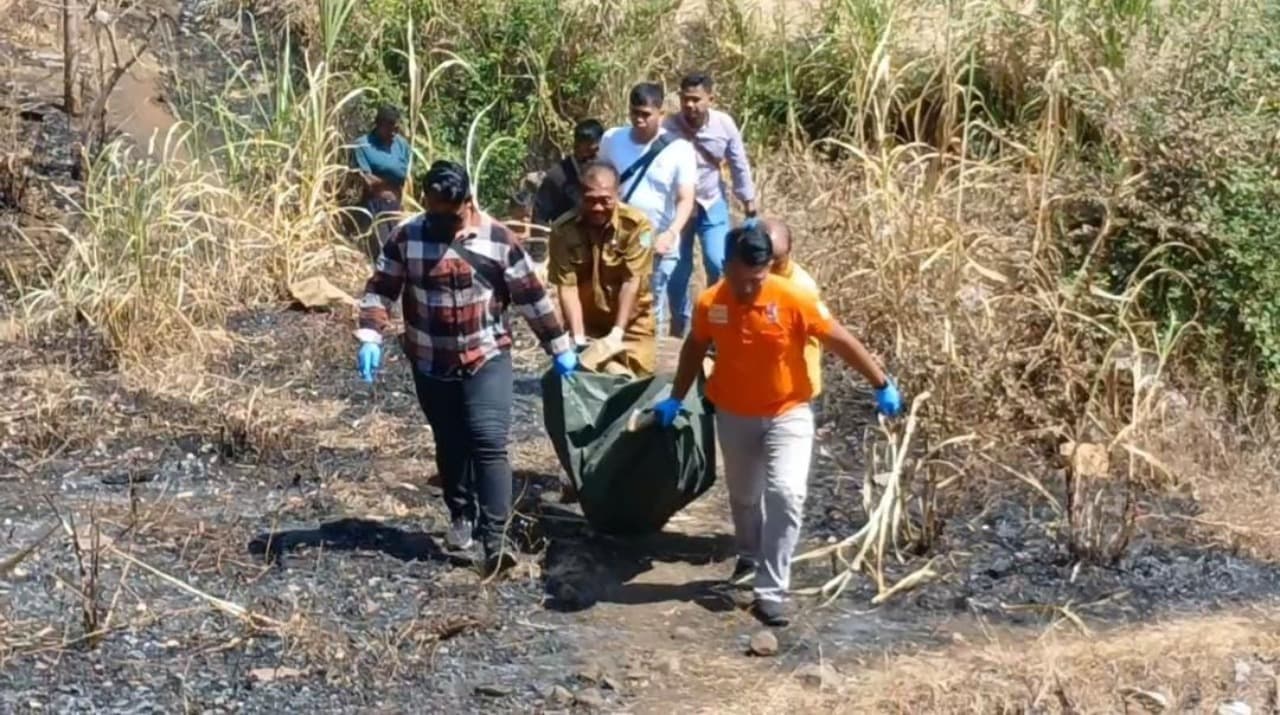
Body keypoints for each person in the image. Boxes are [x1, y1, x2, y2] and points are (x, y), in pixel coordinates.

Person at [653, 224, 904, 627]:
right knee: (745, 497)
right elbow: (695, 346)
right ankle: (749, 557)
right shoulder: (711, 302)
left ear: (768, 268)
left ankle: (770, 590)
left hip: (788, 411)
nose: (750, 288)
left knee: (786, 493)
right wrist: (675, 398)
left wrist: (880, 383)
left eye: (758, 279)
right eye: (742, 279)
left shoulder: (793, 298)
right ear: (727, 264)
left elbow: (839, 339)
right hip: (734, 414)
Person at [353, 160, 579, 575]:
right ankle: (461, 518)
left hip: (486, 355)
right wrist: (370, 335)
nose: (440, 221)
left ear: (468, 202)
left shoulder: (499, 240)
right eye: (433, 210)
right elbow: (382, 288)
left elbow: (531, 296)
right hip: (430, 358)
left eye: (449, 214)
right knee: (451, 441)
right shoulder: (408, 237)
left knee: (489, 441)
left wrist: (558, 346)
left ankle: (497, 538)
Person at [599, 83, 697, 337]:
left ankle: (656, 366)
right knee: (616, 301)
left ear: (660, 114)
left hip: (657, 239)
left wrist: (672, 232)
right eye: (635, 113)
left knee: (652, 305)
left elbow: (686, 198)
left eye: (646, 114)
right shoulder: (612, 139)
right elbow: (601, 180)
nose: (639, 120)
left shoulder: (680, 150)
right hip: (618, 238)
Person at [664, 72, 757, 337]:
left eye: (696, 99)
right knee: (677, 272)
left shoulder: (723, 125)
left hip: (710, 201)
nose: (690, 105)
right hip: (678, 208)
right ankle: (678, 327)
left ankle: (716, 325)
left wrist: (748, 202)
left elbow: (739, 164)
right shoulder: (668, 127)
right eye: (685, 99)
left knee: (718, 263)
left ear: (710, 99)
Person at [547, 161, 657, 377]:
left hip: (632, 325)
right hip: (588, 324)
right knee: (586, 387)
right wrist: (578, 337)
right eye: (590, 200)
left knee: (631, 387)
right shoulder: (562, 230)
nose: (597, 208)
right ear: (580, 194)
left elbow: (631, 281)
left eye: (605, 200)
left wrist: (617, 333)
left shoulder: (637, 226)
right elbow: (567, 287)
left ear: (618, 193)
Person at [764, 217, 822, 397]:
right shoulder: (751, 278)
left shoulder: (803, 288)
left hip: (795, 387)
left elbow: (831, 335)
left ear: (789, 250)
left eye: (776, 260)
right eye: (765, 258)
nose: (769, 265)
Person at [351, 105, 412, 249]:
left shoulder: (401, 144)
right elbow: (367, 180)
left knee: (402, 248)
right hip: (375, 204)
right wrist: (391, 184)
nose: (394, 133)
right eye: (390, 128)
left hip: (398, 204)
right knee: (383, 248)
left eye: (396, 129)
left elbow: (407, 176)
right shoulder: (363, 145)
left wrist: (394, 188)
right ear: (379, 125)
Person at [533, 119, 605, 230]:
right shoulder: (557, 177)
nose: (590, 162)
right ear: (576, 147)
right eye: (585, 158)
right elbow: (540, 219)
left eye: (594, 155)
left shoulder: (608, 173)